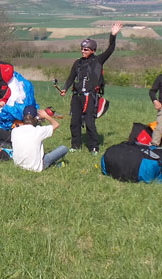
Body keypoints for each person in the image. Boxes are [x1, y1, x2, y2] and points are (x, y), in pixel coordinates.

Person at [59, 21, 123, 154]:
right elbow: (71, 77)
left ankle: (94, 147)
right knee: (74, 122)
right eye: (82, 49)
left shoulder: (98, 61)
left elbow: (110, 49)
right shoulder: (77, 63)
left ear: (93, 50)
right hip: (77, 97)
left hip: (90, 96)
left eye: (86, 49)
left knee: (89, 122)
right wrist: (65, 88)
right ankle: (75, 146)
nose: (83, 51)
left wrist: (113, 35)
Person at [11, 106, 69, 172]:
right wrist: (46, 116)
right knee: (63, 148)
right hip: (35, 167)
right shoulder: (39, 130)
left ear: (23, 116)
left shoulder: (14, 131)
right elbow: (56, 124)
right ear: (36, 117)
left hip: (19, 165)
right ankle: (53, 164)